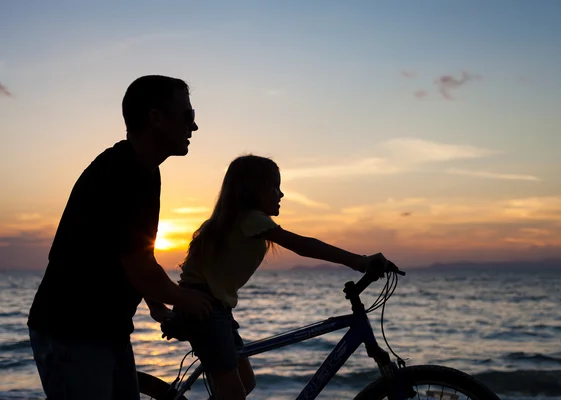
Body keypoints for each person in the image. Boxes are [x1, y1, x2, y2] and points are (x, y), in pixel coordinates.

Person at [27, 75, 215, 400]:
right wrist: (187, 300)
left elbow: (133, 252)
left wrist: (157, 304)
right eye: (187, 115)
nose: (194, 127)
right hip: (71, 330)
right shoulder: (121, 172)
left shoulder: (144, 170)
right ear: (155, 117)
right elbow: (139, 266)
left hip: (106, 330)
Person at [174, 154, 393, 400]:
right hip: (204, 309)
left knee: (245, 382)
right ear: (254, 189)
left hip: (216, 308)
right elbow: (303, 245)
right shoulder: (249, 218)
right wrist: (358, 261)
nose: (281, 194)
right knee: (234, 394)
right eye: (275, 186)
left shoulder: (236, 220)